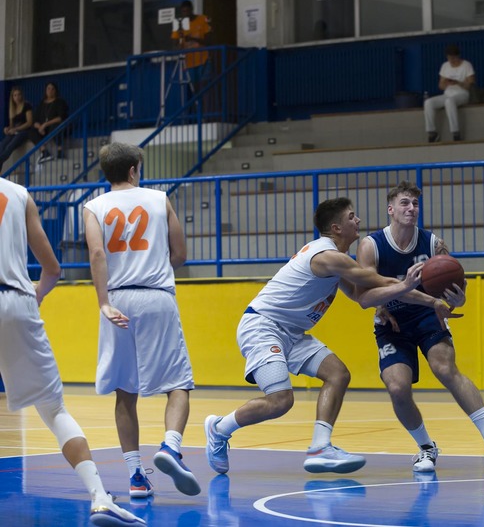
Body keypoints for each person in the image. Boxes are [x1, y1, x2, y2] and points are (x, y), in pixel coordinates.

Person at [203, 197, 454, 476]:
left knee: (338, 374)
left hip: (291, 332)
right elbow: (377, 280)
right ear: (336, 227)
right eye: (351, 217)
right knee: (281, 400)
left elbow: (360, 296)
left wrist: (396, 303)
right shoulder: (327, 256)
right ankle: (219, 428)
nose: (358, 221)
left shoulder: (337, 260)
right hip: (263, 326)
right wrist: (411, 283)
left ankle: (320, 447)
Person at [0, 176, 145, 526]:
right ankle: (99, 497)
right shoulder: (18, 194)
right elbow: (52, 269)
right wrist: (34, 296)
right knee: (53, 409)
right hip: (14, 300)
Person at [356, 181, 484, 476]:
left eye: (415, 203)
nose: (411, 208)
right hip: (391, 323)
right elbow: (365, 295)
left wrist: (458, 299)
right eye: (405, 203)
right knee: (397, 387)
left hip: (428, 316)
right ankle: (426, 446)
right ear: (390, 209)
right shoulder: (371, 245)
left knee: (445, 368)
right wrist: (395, 295)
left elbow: (456, 287)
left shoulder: (433, 244)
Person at [83, 142, 201, 499]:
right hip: (155, 296)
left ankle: (136, 475)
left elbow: (97, 253)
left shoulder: (93, 207)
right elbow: (180, 254)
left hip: (117, 299)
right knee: (178, 384)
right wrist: (155, 261)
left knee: (124, 391)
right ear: (134, 169)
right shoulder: (158, 199)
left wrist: (104, 303)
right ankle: (170, 447)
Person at [424, 44, 475, 143]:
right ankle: (432, 132)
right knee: (428, 102)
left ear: (458, 56)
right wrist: (445, 83)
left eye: (453, 58)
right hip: (447, 93)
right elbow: (441, 86)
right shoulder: (445, 66)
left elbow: (470, 85)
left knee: (449, 101)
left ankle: (455, 132)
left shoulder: (466, 65)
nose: (451, 60)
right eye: (449, 58)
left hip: (462, 93)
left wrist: (458, 83)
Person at [171, 0, 212, 89]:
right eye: (183, 12)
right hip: (189, 62)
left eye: (187, 11)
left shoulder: (203, 19)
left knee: (205, 87)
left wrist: (192, 39)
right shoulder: (179, 24)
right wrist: (179, 41)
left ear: (191, 9)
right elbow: (174, 44)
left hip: (203, 60)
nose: (185, 14)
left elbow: (209, 41)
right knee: (193, 88)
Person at [29, 82, 68, 164]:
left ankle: (60, 150)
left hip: (53, 126)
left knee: (56, 127)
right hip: (43, 129)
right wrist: (39, 127)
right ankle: (44, 152)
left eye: (52, 89)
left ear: (55, 91)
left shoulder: (59, 102)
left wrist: (45, 124)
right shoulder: (42, 103)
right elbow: (35, 120)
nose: (50, 91)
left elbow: (60, 117)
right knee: (31, 131)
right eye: (48, 89)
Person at [0, 87, 33, 168]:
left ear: (22, 95)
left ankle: (1, 160)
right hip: (15, 132)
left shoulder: (26, 105)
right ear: (12, 97)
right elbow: (12, 125)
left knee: (10, 146)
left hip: (25, 131)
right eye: (15, 95)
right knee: (2, 145)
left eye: (19, 95)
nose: (17, 97)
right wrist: (7, 129)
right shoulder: (12, 108)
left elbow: (29, 123)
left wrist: (16, 129)